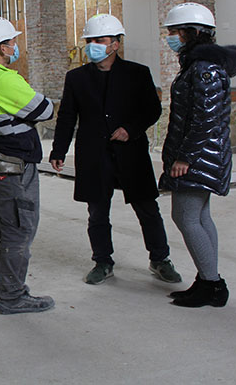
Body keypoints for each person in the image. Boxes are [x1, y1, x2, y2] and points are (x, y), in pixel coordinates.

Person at [49, 14, 182, 286]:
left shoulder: (137, 73)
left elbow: (151, 109)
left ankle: (160, 259)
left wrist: (130, 129)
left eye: (100, 40)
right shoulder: (76, 78)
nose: (93, 46)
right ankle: (102, 261)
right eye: (90, 41)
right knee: (97, 211)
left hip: (130, 153)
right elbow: (67, 117)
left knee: (147, 207)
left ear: (115, 44)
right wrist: (58, 151)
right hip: (94, 154)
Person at [159, 2, 236, 308]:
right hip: (203, 154)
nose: (172, 37)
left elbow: (205, 119)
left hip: (199, 156)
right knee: (199, 216)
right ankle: (207, 278)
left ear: (193, 33)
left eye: (176, 32)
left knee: (185, 217)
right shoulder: (197, 66)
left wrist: (184, 157)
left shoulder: (204, 69)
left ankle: (212, 284)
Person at [0, 16, 55, 315]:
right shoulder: (4, 79)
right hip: (13, 168)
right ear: (2, 47)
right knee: (18, 231)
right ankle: (13, 296)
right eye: (12, 42)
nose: (16, 46)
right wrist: (25, 115)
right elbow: (45, 109)